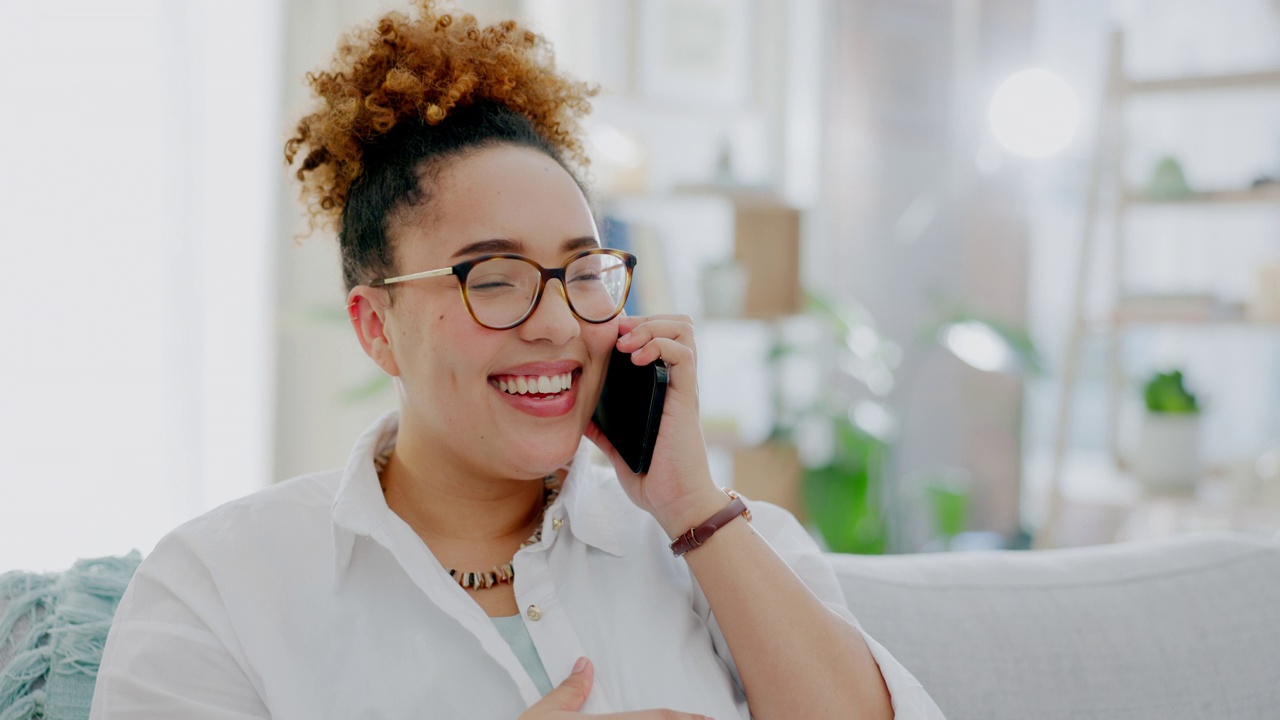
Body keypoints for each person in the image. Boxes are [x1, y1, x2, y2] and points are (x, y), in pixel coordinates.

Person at [90, 2, 945, 718]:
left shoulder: (715, 541)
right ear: (374, 325)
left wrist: (691, 507)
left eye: (583, 270)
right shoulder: (219, 586)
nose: (557, 324)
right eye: (494, 280)